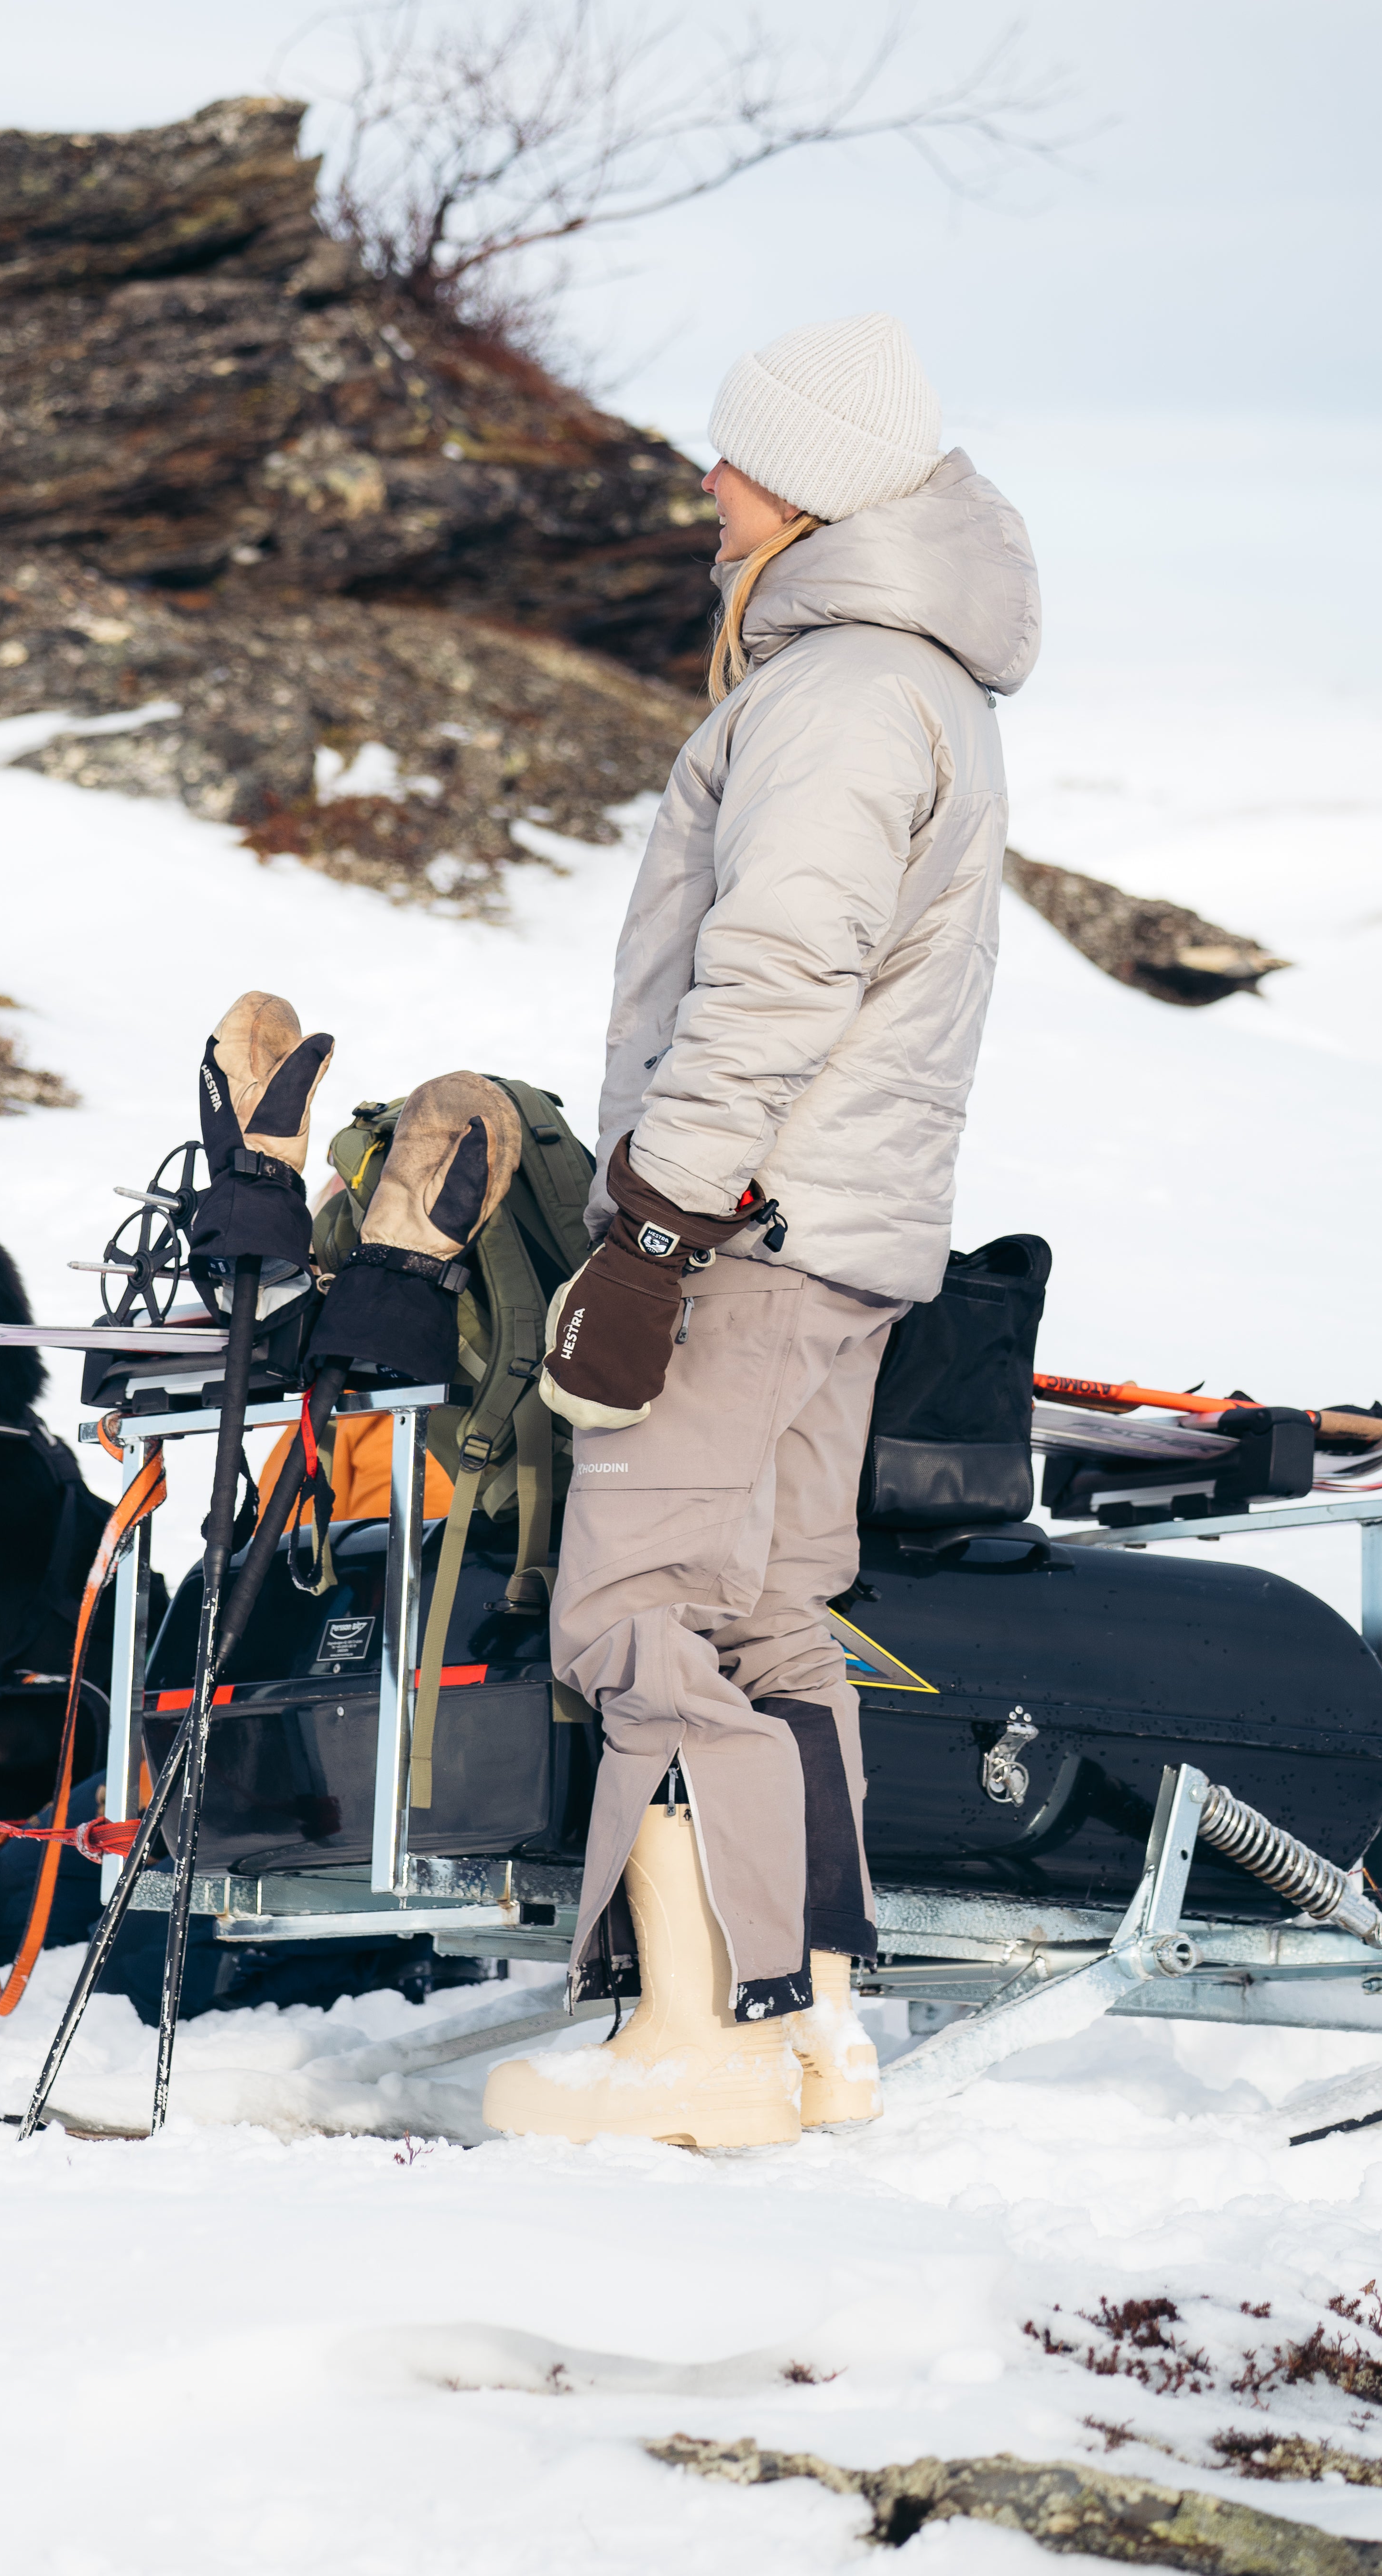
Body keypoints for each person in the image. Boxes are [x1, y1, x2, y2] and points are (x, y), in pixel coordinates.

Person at [483, 313, 1041, 2150]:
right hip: (847, 1241)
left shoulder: (840, 692)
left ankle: (689, 2055)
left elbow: (781, 972)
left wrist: (649, 1226)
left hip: (747, 1230)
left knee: (636, 1609)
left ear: (804, 485)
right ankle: (813, 2032)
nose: (703, 494)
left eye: (728, 465)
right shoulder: (917, 683)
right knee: (776, 1619)